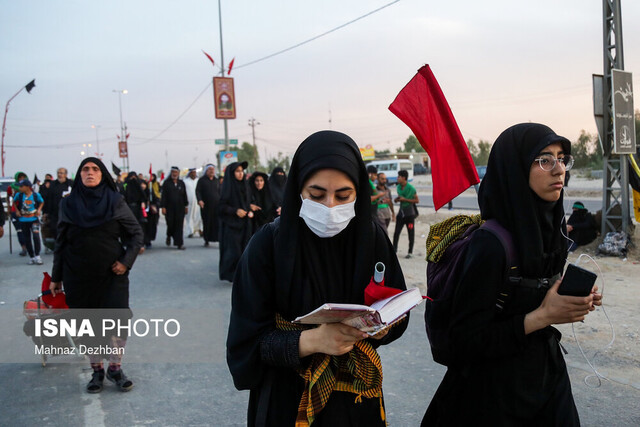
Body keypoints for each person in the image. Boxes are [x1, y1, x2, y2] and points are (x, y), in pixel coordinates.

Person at [422, 123, 602, 426]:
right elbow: (463, 342)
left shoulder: (550, 228)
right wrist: (543, 316)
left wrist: (569, 296)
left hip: (545, 380)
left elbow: (536, 293)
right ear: (516, 168)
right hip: (491, 396)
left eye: (562, 158)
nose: (559, 170)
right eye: (545, 159)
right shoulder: (491, 245)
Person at [227, 130, 409, 426]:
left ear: (358, 191)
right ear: (298, 190)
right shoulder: (268, 245)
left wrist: (380, 328)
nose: (330, 207)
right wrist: (310, 341)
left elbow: (397, 310)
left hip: (356, 398)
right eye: (316, 194)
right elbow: (245, 344)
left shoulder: (372, 238)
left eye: (343, 195)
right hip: (287, 400)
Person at [49, 157, 143, 393]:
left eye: (95, 169)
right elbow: (60, 242)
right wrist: (55, 277)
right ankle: (97, 370)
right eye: (85, 169)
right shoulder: (67, 204)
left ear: (103, 175)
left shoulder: (116, 202)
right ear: (79, 175)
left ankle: (115, 368)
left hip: (112, 275)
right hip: (77, 276)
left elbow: (136, 235)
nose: (90, 173)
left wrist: (125, 262)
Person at [218, 161, 253, 282]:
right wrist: (235, 211)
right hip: (231, 225)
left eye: (241, 171)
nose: (240, 174)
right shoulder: (227, 187)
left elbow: (247, 202)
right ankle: (232, 275)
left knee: (245, 251)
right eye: (237, 171)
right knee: (234, 252)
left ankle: (242, 275)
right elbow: (221, 206)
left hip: (244, 224)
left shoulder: (245, 186)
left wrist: (249, 209)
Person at [13, 179, 44, 265]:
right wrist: (17, 211)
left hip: (34, 219)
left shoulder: (35, 195)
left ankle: (37, 255)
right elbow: (14, 202)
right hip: (23, 220)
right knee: (27, 238)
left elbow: (41, 202)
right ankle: (31, 257)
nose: (19, 188)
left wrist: (39, 210)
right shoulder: (18, 195)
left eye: (21, 186)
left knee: (36, 236)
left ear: (27, 187)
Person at [392, 169, 419, 258]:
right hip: (401, 213)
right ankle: (394, 250)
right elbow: (400, 197)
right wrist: (397, 199)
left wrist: (405, 200)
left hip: (409, 215)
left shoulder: (411, 188)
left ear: (403, 178)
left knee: (410, 232)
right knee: (396, 232)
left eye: (398, 177)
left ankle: (410, 252)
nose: (397, 178)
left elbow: (417, 200)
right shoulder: (398, 187)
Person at [160, 166, 188, 250]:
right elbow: (163, 196)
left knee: (179, 226)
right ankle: (169, 236)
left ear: (178, 173)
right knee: (170, 224)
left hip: (180, 208)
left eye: (176, 172)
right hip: (169, 208)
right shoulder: (166, 183)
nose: (174, 174)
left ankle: (179, 243)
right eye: (173, 172)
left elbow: (184, 195)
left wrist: (186, 205)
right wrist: (163, 207)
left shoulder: (181, 183)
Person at [44, 167, 73, 244]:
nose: (59, 175)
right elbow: (49, 198)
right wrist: (46, 212)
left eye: (61, 173)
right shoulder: (53, 184)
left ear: (65, 174)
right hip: (55, 212)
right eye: (58, 173)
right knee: (54, 228)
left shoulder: (71, 183)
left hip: (68, 212)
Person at [195, 164, 220, 247]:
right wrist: (200, 200)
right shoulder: (202, 180)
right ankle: (206, 239)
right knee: (207, 222)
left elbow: (220, 191)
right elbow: (198, 191)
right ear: (206, 171)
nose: (211, 171)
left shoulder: (217, 180)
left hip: (216, 206)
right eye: (209, 169)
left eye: (213, 169)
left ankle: (217, 238)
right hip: (206, 206)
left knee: (216, 222)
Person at [8, 171, 28, 255]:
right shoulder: (11, 187)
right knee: (19, 230)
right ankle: (23, 248)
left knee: (26, 230)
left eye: (23, 178)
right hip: (15, 210)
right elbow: (8, 197)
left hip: (26, 211)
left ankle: (28, 246)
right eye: (20, 178)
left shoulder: (28, 187)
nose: (21, 179)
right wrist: (9, 207)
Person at [184, 168, 202, 238]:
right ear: (189, 173)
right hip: (189, 203)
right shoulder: (185, 181)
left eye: (194, 172)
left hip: (198, 203)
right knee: (189, 217)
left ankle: (200, 230)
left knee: (199, 216)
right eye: (192, 173)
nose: (193, 174)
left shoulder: (199, 181)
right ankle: (190, 231)